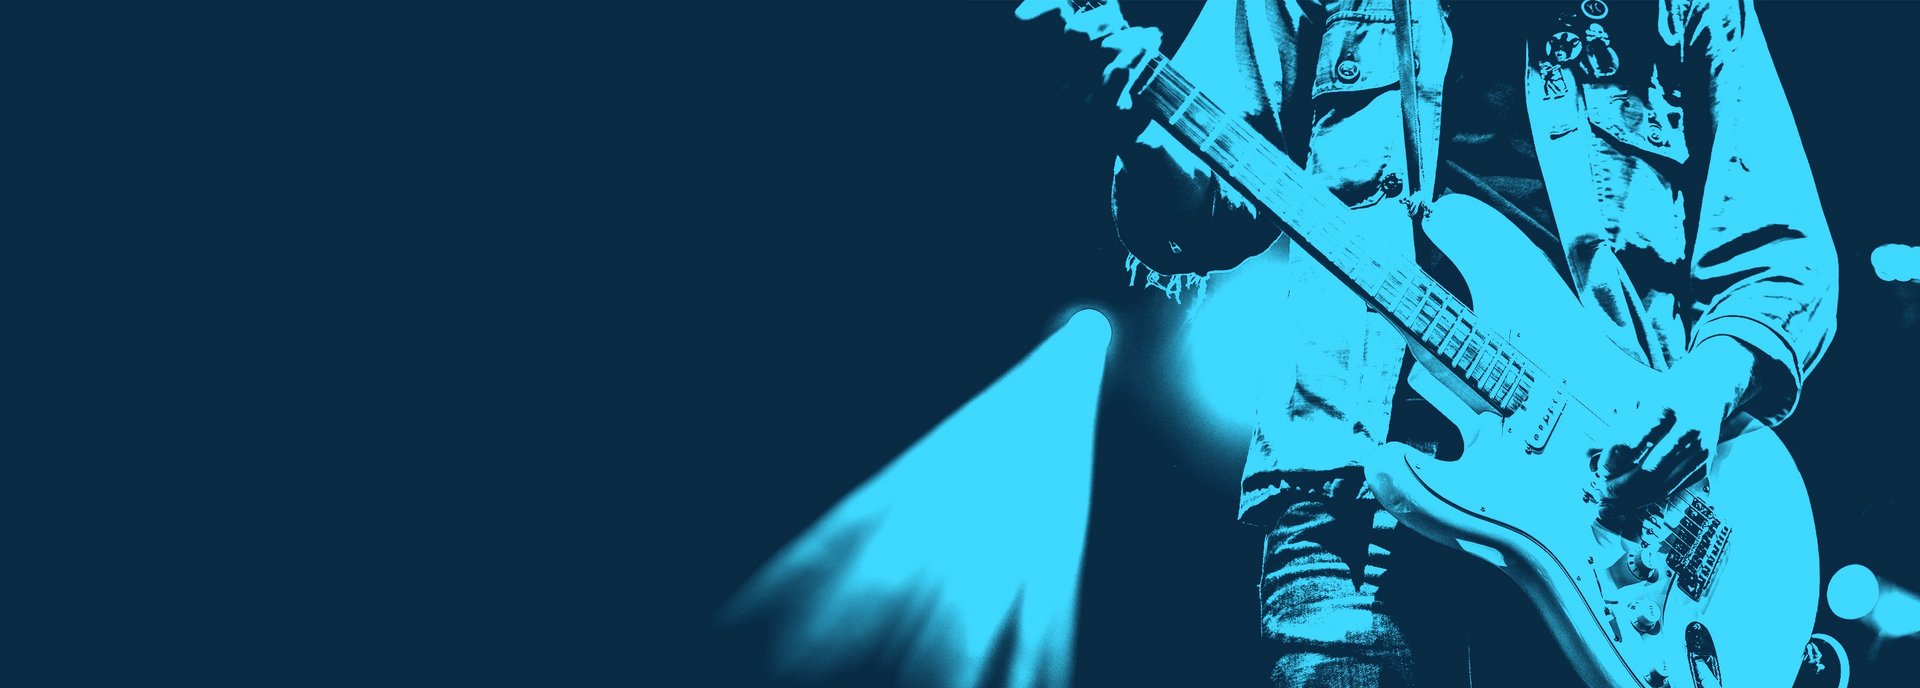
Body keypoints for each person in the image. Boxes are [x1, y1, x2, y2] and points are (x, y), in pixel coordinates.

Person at [1085, 0, 1838, 685]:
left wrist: (1703, 392)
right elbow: (1198, 208)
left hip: (1618, 529)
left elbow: (1783, 257)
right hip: (1354, 504)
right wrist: (1140, 134)